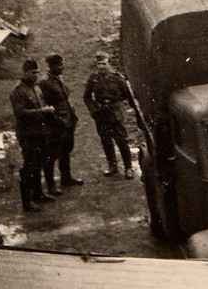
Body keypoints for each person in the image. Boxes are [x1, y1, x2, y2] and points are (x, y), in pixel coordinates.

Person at [9, 58, 55, 212]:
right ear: (25, 73)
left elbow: (40, 105)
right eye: (32, 73)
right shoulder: (19, 91)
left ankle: (39, 194)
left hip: (40, 132)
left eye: (37, 72)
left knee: (39, 164)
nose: (36, 75)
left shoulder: (36, 89)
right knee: (29, 166)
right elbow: (20, 113)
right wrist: (41, 112)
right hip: (28, 135)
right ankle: (27, 201)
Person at [83, 52, 135, 178]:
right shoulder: (93, 79)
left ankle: (128, 167)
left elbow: (128, 96)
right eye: (99, 64)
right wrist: (93, 109)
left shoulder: (117, 78)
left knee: (121, 139)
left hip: (115, 112)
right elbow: (87, 97)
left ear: (109, 63)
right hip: (101, 113)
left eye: (104, 64)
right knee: (106, 140)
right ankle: (112, 165)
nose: (101, 66)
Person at [40, 53, 83, 191]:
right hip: (57, 124)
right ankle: (51, 185)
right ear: (51, 66)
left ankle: (66, 178)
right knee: (52, 154)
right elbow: (45, 105)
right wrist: (55, 120)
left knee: (66, 150)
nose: (61, 67)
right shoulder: (45, 83)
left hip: (68, 121)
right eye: (58, 65)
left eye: (61, 64)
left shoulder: (59, 80)